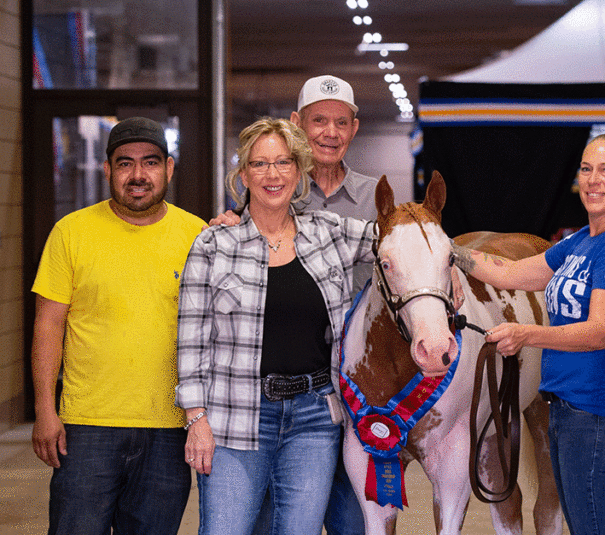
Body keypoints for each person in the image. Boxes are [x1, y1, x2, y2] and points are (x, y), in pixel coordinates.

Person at [175, 117, 376, 535]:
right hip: (235, 417)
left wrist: (452, 266)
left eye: (283, 162)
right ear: (243, 173)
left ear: (298, 171)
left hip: (314, 418)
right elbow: (192, 342)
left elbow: (401, 240)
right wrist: (196, 420)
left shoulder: (329, 233)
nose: (273, 174)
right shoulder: (214, 245)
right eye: (260, 164)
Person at [452, 133, 605, 535]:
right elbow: (509, 273)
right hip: (568, 410)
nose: (593, 180)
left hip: (599, 414)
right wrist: (442, 248)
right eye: (586, 169)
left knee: (594, 528)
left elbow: (598, 332)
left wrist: (526, 334)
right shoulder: (581, 241)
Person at [30, 116, 204, 534]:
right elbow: (48, 326)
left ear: (169, 168)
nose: (138, 175)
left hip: (168, 427)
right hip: (87, 427)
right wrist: (44, 410)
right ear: (107, 169)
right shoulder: (71, 232)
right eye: (125, 163)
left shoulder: (197, 236)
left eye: (150, 162)